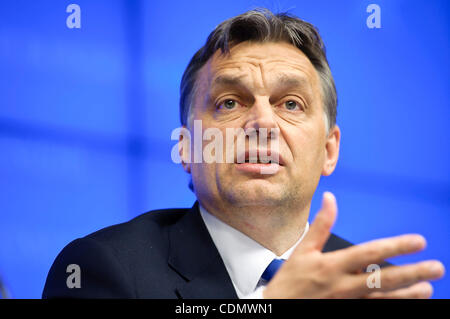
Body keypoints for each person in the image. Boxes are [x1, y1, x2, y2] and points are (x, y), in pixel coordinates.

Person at [43, 8, 444, 299]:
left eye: (291, 104)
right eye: (230, 103)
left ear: (329, 150)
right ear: (185, 148)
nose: (263, 123)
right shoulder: (102, 270)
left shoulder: (376, 286)